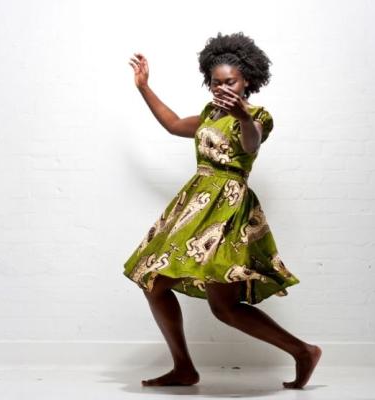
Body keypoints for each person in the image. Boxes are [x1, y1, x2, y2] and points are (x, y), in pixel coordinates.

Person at [124, 32, 321, 389]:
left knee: (223, 308)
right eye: (215, 82)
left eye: (229, 81)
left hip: (227, 209)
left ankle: (303, 352)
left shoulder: (258, 116)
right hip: (195, 203)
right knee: (156, 283)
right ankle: (184, 368)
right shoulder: (209, 114)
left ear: (246, 80)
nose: (222, 87)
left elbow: (251, 142)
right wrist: (144, 87)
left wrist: (244, 116)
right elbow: (172, 124)